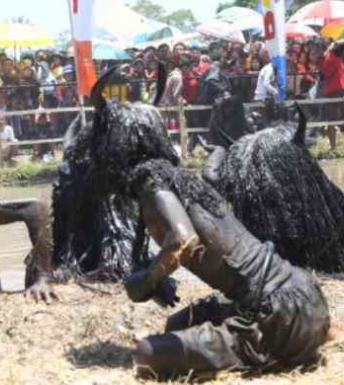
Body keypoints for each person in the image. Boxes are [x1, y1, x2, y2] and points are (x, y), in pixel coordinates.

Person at [81, 68, 330, 379]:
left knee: (145, 356)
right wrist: (156, 275)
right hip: (304, 296)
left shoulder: (149, 178)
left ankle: (277, 348)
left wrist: (145, 280)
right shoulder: (176, 178)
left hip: (278, 315)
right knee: (177, 325)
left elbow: (183, 240)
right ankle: (305, 337)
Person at [320, 39, 344, 150]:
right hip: (341, 90)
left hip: (329, 91)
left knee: (331, 122)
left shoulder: (327, 55)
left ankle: (333, 147)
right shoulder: (338, 58)